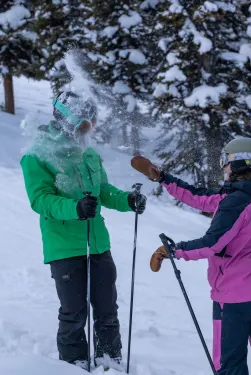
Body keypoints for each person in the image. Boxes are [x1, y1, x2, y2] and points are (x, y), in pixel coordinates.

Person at [132, 138, 251, 375]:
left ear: (238, 163)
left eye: (226, 162)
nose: (224, 167)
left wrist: (174, 250)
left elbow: (213, 244)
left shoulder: (234, 202)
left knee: (229, 365)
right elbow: (199, 197)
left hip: (235, 296)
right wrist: (163, 178)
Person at [20, 90, 147, 371]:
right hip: (64, 246)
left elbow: (103, 191)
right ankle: (74, 365)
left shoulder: (88, 153)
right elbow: (40, 200)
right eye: (83, 124)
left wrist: (127, 200)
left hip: (98, 244)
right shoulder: (38, 155)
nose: (88, 129)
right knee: (74, 313)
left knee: (107, 311)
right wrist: (75, 208)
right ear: (67, 121)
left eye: (91, 123)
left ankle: (109, 362)